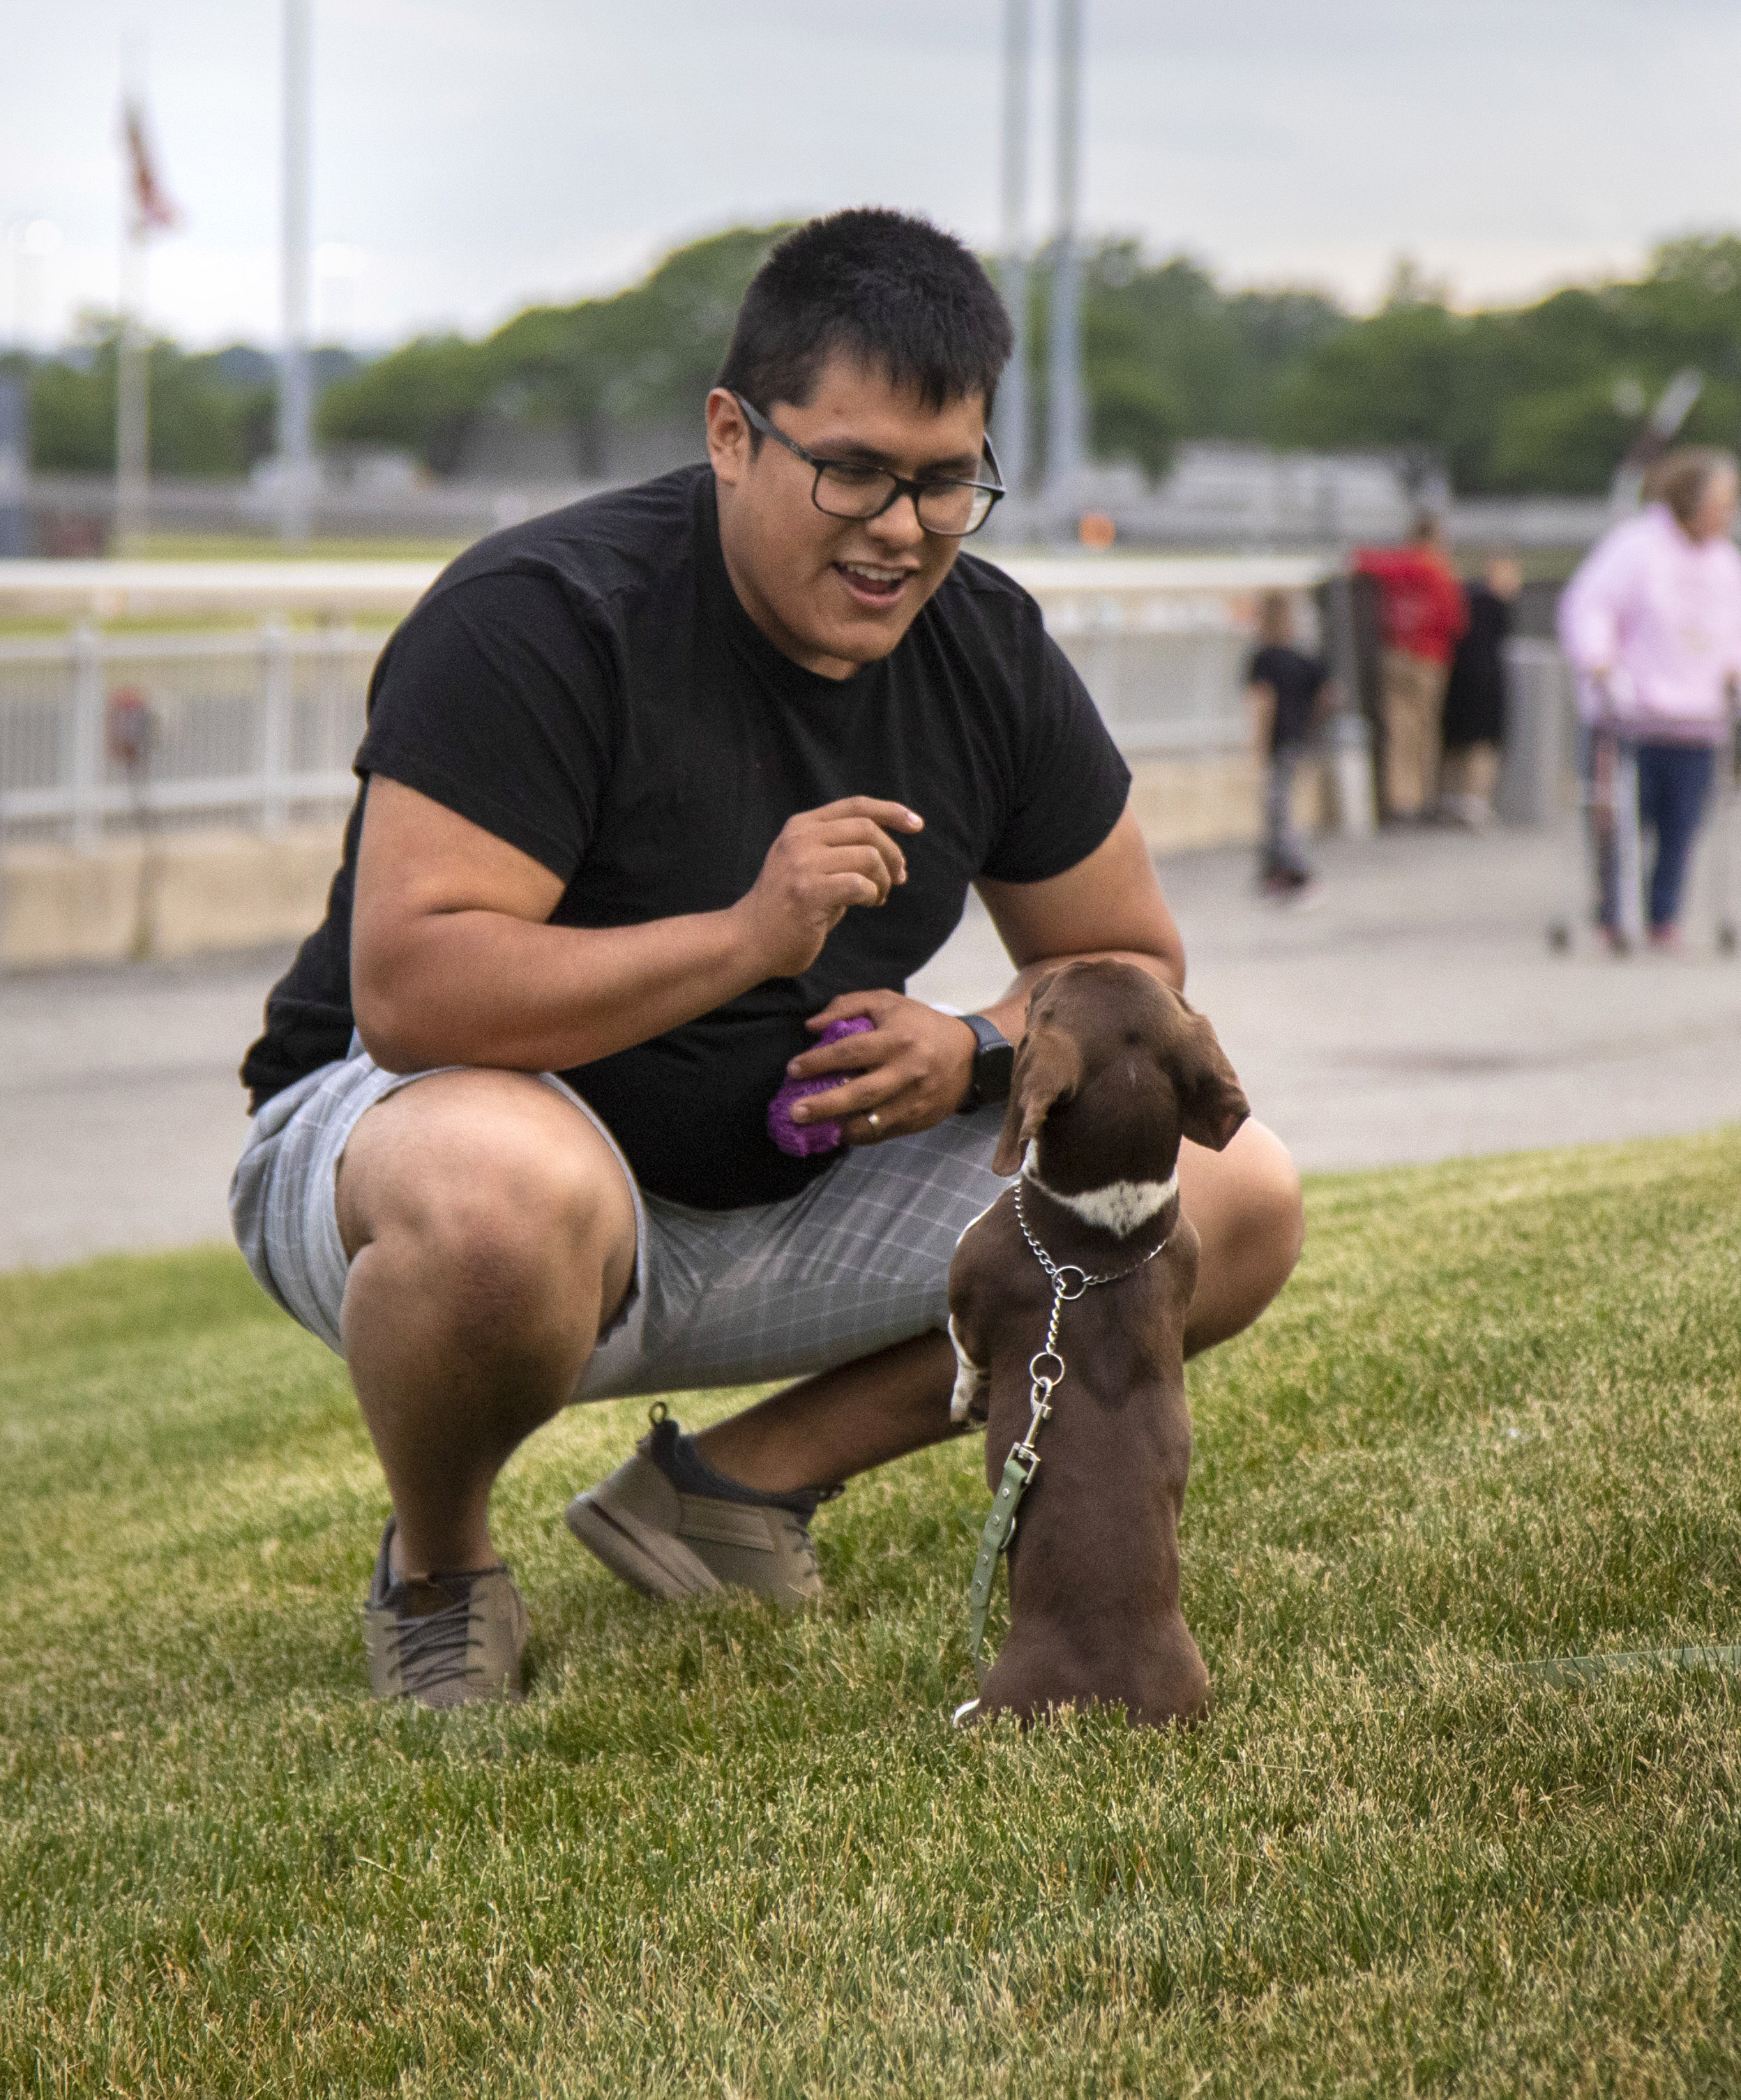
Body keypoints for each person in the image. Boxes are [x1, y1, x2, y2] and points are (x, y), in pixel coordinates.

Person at [231, 209, 1304, 1709]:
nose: (903, 527)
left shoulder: (984, 648)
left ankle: (728, 1492)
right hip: (432, 1144)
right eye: (854, 470)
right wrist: (747, 936)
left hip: (787, 1181)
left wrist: (975, 1049)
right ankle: (441, 1567)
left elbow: (1128, 963)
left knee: (1232, 1198)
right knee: (497, 1201)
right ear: (732, 433)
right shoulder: (542, 618)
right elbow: (415, 993)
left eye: (946, 480)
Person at [1558, 446, 1741, 951]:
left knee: (1683, 823)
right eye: (1722, 502)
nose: (1728, 513)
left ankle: (1665, 914)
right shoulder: (1636, 548)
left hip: (1698, 716)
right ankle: (1614, 911)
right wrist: (1598, 659)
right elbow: (1590, 605)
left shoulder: (1726, 563)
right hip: (1632, 713)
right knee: (1617, 820)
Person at [1355, 513, 1468, 821]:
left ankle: (1400, 799)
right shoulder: (1440, 571)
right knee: (1425, 732)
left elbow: (1361, 561)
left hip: (1395, 653)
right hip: (1429, 658)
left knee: (1397, 730)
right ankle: (1423, 798)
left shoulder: (1398, 564)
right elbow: (1456, 622)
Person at [1244, 591, 1331, 898]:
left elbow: (1263, 702)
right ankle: (1273, 870)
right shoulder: (1303, 658)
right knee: (1283, 804)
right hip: (1300, 738)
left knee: (1276, 806)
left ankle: (1293, 869)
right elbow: (1329, 693)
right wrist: (1312, 725)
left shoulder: (1264, 659)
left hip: (1279, 739)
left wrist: (1259, 742)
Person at [1438, 552, 1522, 829]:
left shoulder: (1463, 595)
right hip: (1484, 680)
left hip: (1455, 676)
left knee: (1455, 742)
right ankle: (1475, 802)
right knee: (1483, 743)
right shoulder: (1492, 603)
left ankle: (1450, 800)